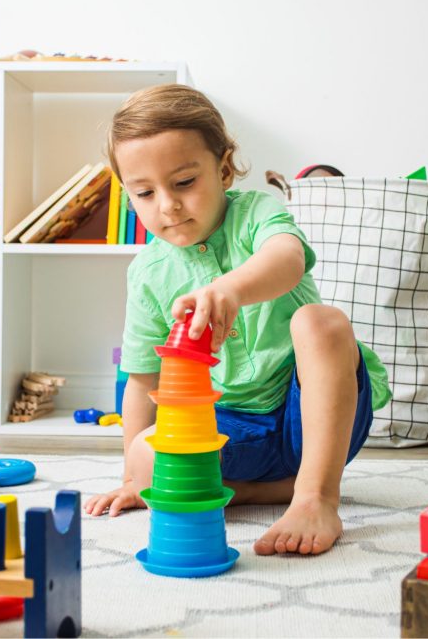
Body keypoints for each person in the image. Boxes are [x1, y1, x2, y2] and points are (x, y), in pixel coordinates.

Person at [82, 84, 390, 556]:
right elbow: (143, 379)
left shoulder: (256, 214)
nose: (167, 205)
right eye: (145, 193)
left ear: (224, 169)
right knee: (146, 459)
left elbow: (287, 258)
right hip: (225, 429)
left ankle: (315, 495)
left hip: (310, 416)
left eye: (184, 182)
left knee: (320, 322)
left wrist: (231, 288)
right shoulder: (146, 273)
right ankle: (263, 492)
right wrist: (129, 478)